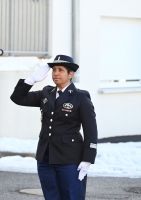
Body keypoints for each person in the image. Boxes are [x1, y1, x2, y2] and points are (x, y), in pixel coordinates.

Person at [10, 55, 98, 200]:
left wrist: (88, 159)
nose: (56, 73)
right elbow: (17, 98)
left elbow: (91, 130)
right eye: (54, 70)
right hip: (46, 159)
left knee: (71, 197)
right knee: (51, 197)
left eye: (61, 70)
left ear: (71, 74)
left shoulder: (80, 98)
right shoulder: (46, 93)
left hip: (69, 160)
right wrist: (30, 80)